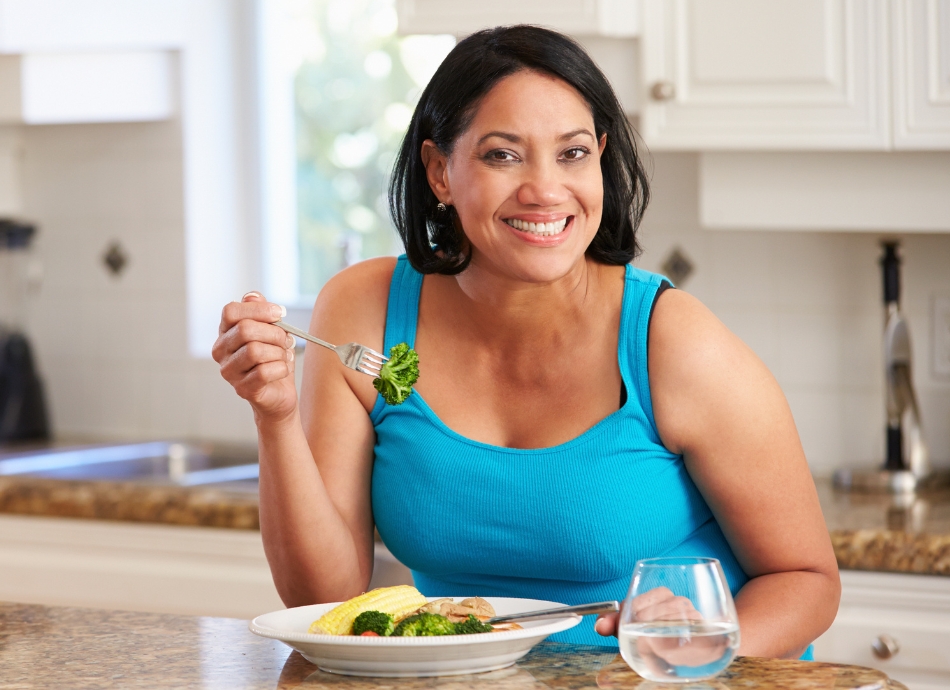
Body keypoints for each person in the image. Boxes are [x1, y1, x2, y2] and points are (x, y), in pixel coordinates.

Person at [213, 25, 839, 654]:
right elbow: (324, 595)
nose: (544, 190)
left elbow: (806, 580)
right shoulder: (363, 310)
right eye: (502, 154)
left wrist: (695, 650)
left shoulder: (669, 341)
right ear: (439, 172)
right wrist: (276, 415)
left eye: (572, 153)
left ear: (600, 156)